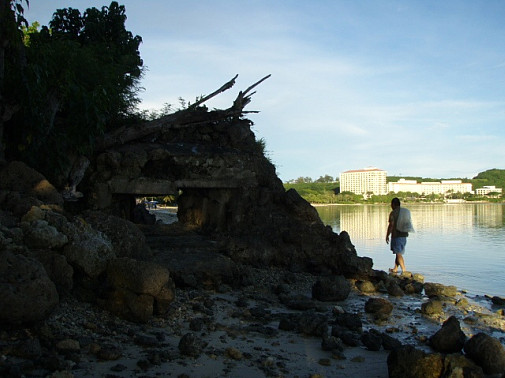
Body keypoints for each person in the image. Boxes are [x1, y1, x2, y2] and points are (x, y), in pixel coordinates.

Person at [386, 197, 413, 274]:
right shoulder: (405, 212)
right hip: (404, 235)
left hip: (396, 235)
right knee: (398, 252)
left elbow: (391, 225)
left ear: (393, 204)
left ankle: (404, 270)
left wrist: (387, 235)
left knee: (398, 253)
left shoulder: (393, 213)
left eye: (391, 204)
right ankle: (395, 269)